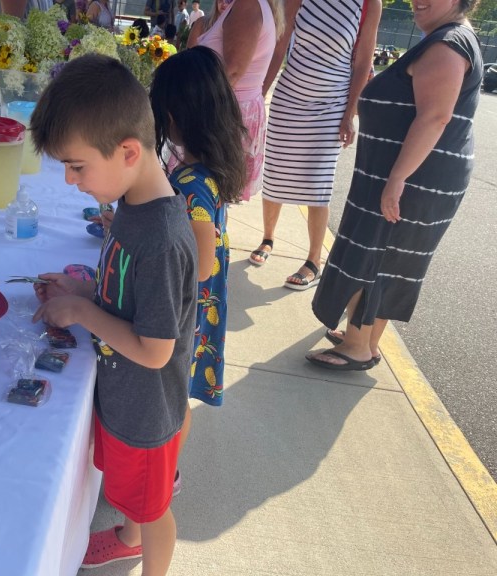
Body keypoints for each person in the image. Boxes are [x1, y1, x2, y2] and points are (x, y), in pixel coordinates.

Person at [29, 54, 198, 574]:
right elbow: (126, 295)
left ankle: (148, 557)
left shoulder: (163, 240)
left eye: (77, 166)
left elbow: (154, 349)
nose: (69, 180)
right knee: (131, 497)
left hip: (146, 413)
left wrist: (81, 309)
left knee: (154, 509)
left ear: (127, 151)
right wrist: (83, 286)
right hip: (121, 396)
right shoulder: (130, 201)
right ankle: (128, 534)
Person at [306, 0, 483, 370]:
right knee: (388, 258)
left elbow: (434, 117)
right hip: (413, 176)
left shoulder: (448, 43)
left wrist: (398, 178)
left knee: (375, 253)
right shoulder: (447, 37)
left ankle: (356, 346)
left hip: (413, 179)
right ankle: (365, 341)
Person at [149, 47, 245, 483]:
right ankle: (166, 471)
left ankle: (164, 475)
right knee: (176, 399)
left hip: (187, 313)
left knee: (172, 401)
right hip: (199, 310)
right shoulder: (204, 170)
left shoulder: (190, 186)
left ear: (172, 114)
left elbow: (200, 264)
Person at [249, 0, 381, 290]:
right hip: (289, 98)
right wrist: (258, 96)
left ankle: (313, 260)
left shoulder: (370, 4)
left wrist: (349, 114)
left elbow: (362, 62)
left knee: (317, 181)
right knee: (275, 171)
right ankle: (268, 237)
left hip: (332, 104)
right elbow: (280, 46)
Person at [187, 0, 283, 203]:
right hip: (228, 112)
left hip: (221, 116)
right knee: (210, 199)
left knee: (200, 197)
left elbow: (231, 72)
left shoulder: (247, 5)